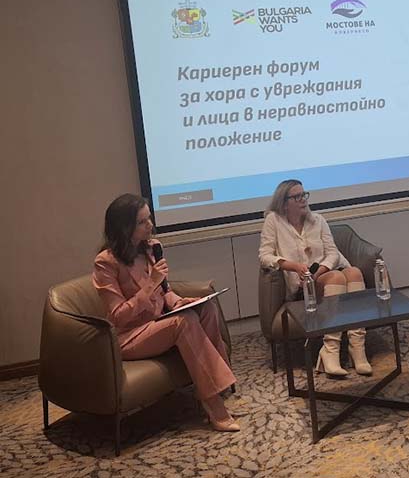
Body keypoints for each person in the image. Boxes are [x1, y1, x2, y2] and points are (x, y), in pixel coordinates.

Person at [92, 194, 239, 432]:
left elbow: (165, 291)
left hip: (158, 322)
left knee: (206, 308)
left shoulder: (152, 248)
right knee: (183, 322)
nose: (150, 225)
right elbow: (118, 315)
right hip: (130, 335)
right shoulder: (106, 263)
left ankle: (219, 388)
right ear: (124, 227)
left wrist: (179, 301)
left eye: (149, 218)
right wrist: (151, 283)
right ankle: (212, 404)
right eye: (142, 222)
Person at [258, 179, 372, 377]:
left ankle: (357, 348)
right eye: (297, 197)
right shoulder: (273, 221)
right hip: (302, 286)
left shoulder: (318, 220)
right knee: (337, 278)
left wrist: (319, 271)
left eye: (304, 195)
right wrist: (293, 266)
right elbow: (264, 256)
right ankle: (331, 350)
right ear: (284, 203)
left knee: (354, 272)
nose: (303, 199)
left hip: (323, 273)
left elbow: (333, 253)